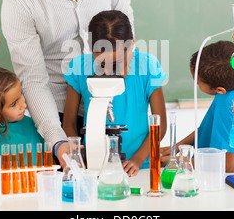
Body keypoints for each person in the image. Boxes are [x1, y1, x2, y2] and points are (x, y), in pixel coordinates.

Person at [1, 0, 134, 167]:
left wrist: (122, 72)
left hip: (114, 98)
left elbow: (125, 19)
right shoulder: (18, 1)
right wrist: (58, 140)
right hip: (60, 108)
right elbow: (32, 78)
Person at [63, 10, 167, 177]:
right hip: (93, 166)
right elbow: (68, 125)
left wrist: (137, 160)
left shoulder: (148, 67)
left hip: (140, 166)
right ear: (91, 48)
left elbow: (159, 126)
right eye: (102, 63)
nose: (110, 70)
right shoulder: (79, 68)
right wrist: (81, 157)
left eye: (118, 62)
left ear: (131, 44)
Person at [161, 41, 234, 172]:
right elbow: (207, 128)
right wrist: (175, 148)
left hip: (216, 176)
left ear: (220, 89)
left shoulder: (228, 103)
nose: (197, 86)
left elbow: (228, 164)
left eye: (198, 83)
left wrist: (174, 161)